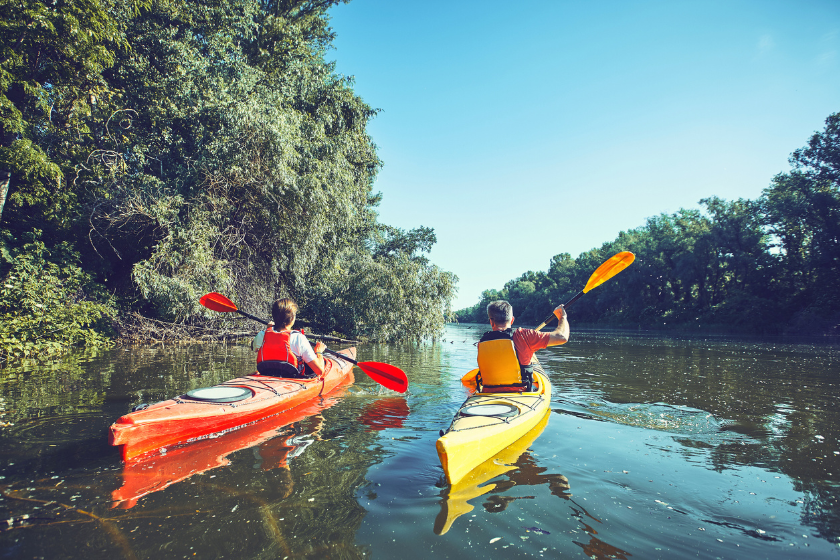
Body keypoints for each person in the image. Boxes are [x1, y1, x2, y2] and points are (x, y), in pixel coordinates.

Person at [476, 300, 569, 392]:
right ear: (512, 320)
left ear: (491, 322)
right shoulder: (524, 335)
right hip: (521, 394)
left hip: (488, 394)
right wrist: (562, 317)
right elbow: (562, 337)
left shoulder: (481, 343)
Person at [251, 298, 327, 378]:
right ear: (292, 318)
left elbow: (253, 347)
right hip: (292, 381)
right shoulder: (298, 338)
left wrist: (268, 329)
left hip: (267, 377)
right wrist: (319, 352)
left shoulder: (262, 335)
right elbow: (320, 370)